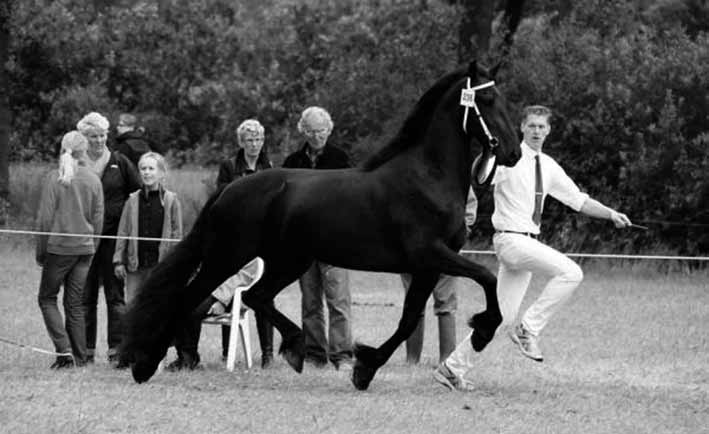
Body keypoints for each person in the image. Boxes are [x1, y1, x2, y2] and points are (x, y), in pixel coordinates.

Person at [434, 105, 632, 391]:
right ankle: (529, 329)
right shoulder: (509, 159)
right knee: (571, 273)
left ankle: (451, 369)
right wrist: (489, 153)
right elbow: (479, 176)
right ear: (522, 128)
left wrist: (611, 213)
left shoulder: (549, 165)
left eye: (542, 126)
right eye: (532, 126)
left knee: (500, 318)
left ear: (549, 130)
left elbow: (577, 199)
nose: (537, 131)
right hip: (511, 240)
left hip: (527, 242)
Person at [167, 119, 275, 371]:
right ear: (241, 142)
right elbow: (224, 197)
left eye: (258, 139)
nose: (254, 144)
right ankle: (219, 352)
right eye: (249, 139)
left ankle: (268, 353)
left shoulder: (268, 166)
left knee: (265, 297)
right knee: (219, 286)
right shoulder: (229, 166)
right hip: (235, 235)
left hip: (261, 240)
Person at [283, 106, 353, 370]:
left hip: (336, 241)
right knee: (310, 301)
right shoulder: (292, 162)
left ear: (329, 129)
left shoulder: (340, 159)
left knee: (338, 300)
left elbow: (352, 199)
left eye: (321, 131)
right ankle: (314, 354)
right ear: (303, 130)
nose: (316, 136)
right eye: (311, 131)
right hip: (303, 242)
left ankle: (342, 354)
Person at [36, 131, 104, 369]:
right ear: (85, 151)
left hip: (59, 249)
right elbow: (98, 219)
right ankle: (80, 357)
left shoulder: (55, 177)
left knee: (46, 298)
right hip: (85, 249)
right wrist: (92, 247)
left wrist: (41, 252)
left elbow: (44, 220)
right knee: (74, 303)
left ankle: (65, 352)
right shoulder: (94, 180)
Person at [78, 112, 141, 366]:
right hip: (83, 240)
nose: (99, 140)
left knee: (115, 297)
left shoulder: (120, 161)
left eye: (103, 135)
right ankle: (85, 351)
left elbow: (136, 195)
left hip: (114, 240)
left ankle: (117, 351)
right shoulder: (76, 162)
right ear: (84, 137)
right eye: (93, 136)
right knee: (85, 296)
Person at [400, 188, 477, 365]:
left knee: (445, 303)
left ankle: (446, 359)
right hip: (414, 248)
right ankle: (412, 360)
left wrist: (459, 235)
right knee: (416, 303)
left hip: (444, 248)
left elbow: (469, 207)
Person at [113, 152, 183, 306]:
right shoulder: (132, 200)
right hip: (135, 266)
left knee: (157, 307)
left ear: (161, 173)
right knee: (132, 307)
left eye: (151, 168)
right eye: (143, 168)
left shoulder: (171, 200)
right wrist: (118, 261)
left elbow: (177, 234)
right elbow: (123, 231)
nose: (147, 172)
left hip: (159, 266)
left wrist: (174, 263)